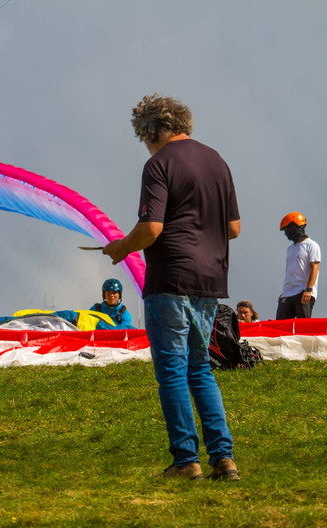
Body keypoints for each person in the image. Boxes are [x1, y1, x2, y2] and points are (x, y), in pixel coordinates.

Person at [103, 94, 241, 481]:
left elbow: (151, 229)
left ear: (153, 130)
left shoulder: (158, 164)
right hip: (211, 279)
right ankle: (224, 459)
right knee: (201, 370)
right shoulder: (217, 160)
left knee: (173, 372)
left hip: (171, 278)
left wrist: (119, 248)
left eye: (144, 136)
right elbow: (234, 228)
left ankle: (186, 461)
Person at [276, 212, 320, 320]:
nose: (286, 233)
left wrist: (308, 290)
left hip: (303, 292)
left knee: (302, 327)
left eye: (287, 229)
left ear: (295, 227)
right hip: (287, 293)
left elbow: (315, 268)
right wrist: (284, 292)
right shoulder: (290, 248)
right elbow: (291, 271)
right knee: (281, 327)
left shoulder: (311, 245)